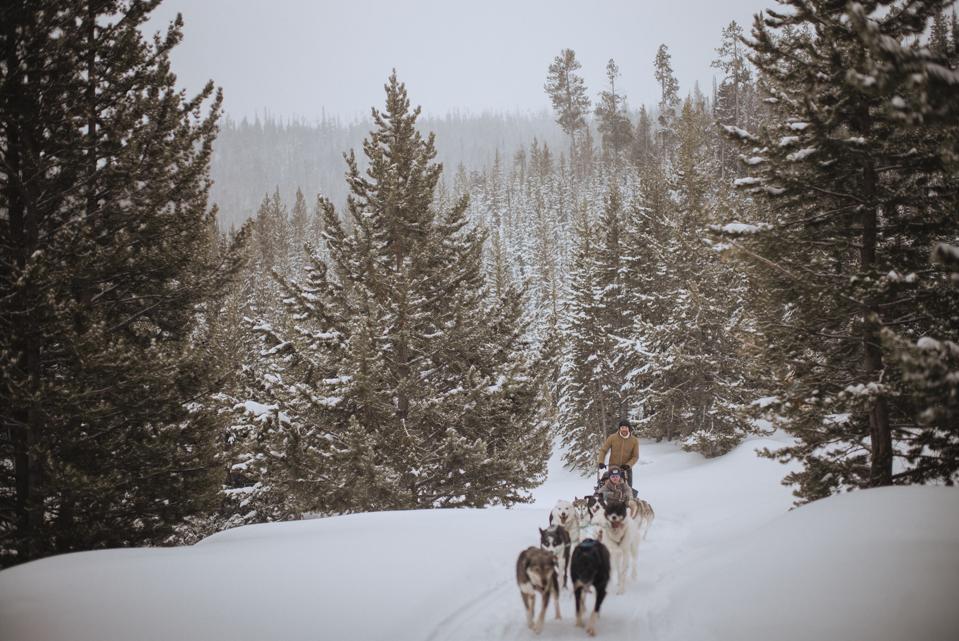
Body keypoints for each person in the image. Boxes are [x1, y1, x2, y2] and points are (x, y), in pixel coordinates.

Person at [597, 419, 639, 489]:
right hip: (613, 467)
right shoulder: (612, 438)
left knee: (628, 488)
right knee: (612, 487)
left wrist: (628, 465)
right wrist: (601, 462)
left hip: (626, 469)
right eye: (622, 428)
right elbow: (603, 450)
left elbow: (635, 456)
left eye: (626, 428)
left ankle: (629, 499)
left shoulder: (634, 440)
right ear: (619, 429)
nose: (624, 430)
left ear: (629, 429)